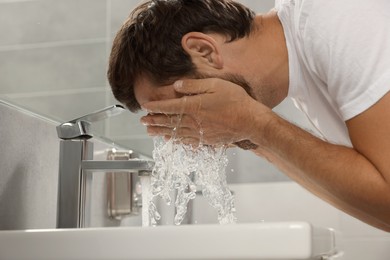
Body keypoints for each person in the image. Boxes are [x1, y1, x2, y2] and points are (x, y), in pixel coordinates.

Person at [107, 0, 390, 231]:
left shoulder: (335, 15)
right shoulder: (305, 69)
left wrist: (255, 125)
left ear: (204, 51)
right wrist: (251, 136)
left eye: (183, 107)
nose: (193, 126)